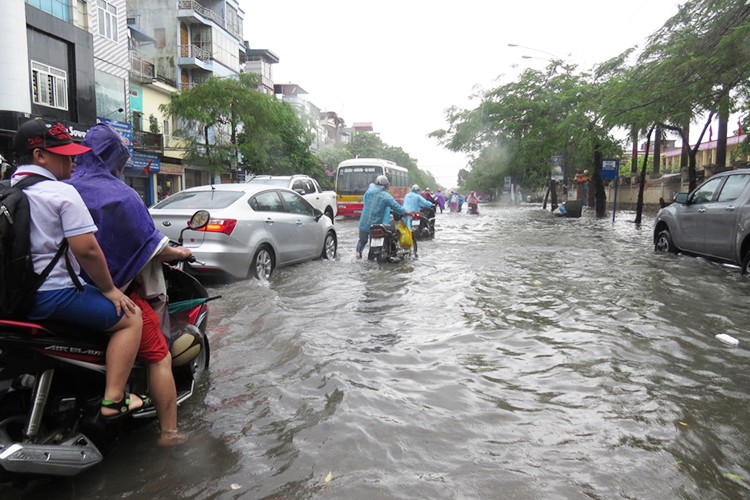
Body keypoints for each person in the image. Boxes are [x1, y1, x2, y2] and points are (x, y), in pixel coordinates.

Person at [67, 123, 191, 445]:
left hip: (57, 292)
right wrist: (181, 251)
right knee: (159, 355)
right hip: (109, 294)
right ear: (114, 159)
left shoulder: (63, 187)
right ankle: (169, 433)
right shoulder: (121, 195)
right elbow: (153, 247)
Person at [11, 119, 143, 420]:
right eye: (64, 154)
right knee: (131, 318)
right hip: (53, 296)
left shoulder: (7, 191)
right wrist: (110, 290)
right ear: (39, 156)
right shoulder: (62, 193)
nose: (72, 160)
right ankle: (114, 399)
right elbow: (87, 249)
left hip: (13, 298)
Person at [355, 175, 409, 259]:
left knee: (362, 241)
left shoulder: (368, 192)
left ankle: (358, 253)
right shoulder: (385, 196)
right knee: (373, 242)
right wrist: (405, 212)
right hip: (376, 225)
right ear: (386, 185)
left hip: (363, 222)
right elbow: (396, 207)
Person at [403, 184, 435, 258]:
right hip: (414, 213)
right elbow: (425, 203)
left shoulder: (407, 195)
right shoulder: (417, 196)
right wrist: (431, 204)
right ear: (417, 191)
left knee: (405, 227)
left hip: (405, 213)